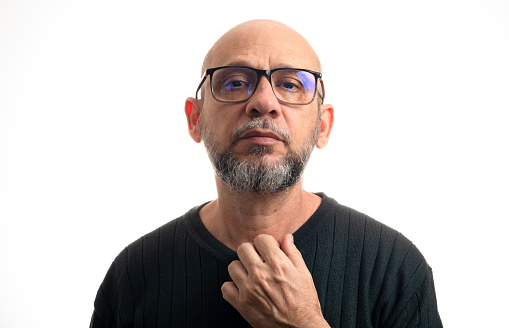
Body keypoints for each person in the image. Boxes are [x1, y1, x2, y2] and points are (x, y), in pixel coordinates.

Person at [90, 19, 442, 327]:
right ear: (195, 119)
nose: (264, 101)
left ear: (323, 126)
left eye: (290, 85)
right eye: (233, 83)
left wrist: (303, 324)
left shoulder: (395, 269)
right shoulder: (133, 275)